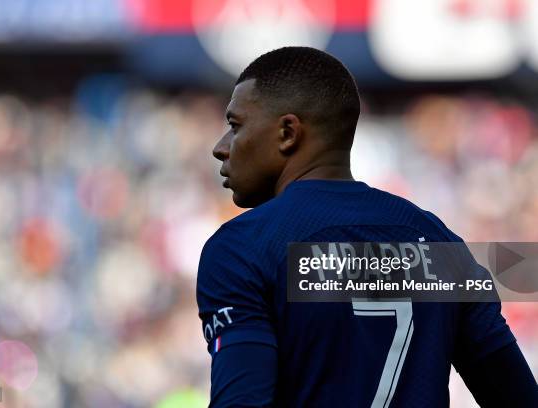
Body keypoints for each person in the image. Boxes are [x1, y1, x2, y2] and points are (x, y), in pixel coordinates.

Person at [196, 46, 537, 407]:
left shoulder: (242, 246)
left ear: (287, 133)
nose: (221, 147)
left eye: (235, 126)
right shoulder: (439, 243)